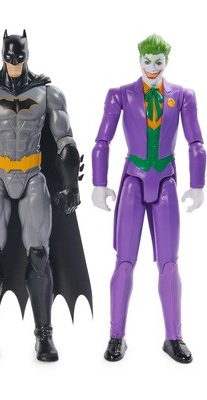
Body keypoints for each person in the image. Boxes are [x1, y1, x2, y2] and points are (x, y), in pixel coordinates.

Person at [0, 30, 91, 362]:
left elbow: (65, 141)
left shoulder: (47, 93)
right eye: (9, 57)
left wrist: (71, 184)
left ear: (26, 55)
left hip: (33, 176)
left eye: (19, 57)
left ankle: (44, 335)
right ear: (2, 54)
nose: (14, 63)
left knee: (39, 253)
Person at [92, 33, 205, 363]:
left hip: (166, 181)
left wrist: (197, 184)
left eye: (158, 61)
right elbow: (102, 140)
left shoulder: (182, 96)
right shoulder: (121, 94)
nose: (152, 67)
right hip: (133, 181)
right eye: (147, 60)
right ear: (139, 59)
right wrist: (99, 183)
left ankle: (174, 337)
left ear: (166, 62)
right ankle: (116, 336)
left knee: (169, 263)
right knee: (124, 261)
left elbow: (196, 142)